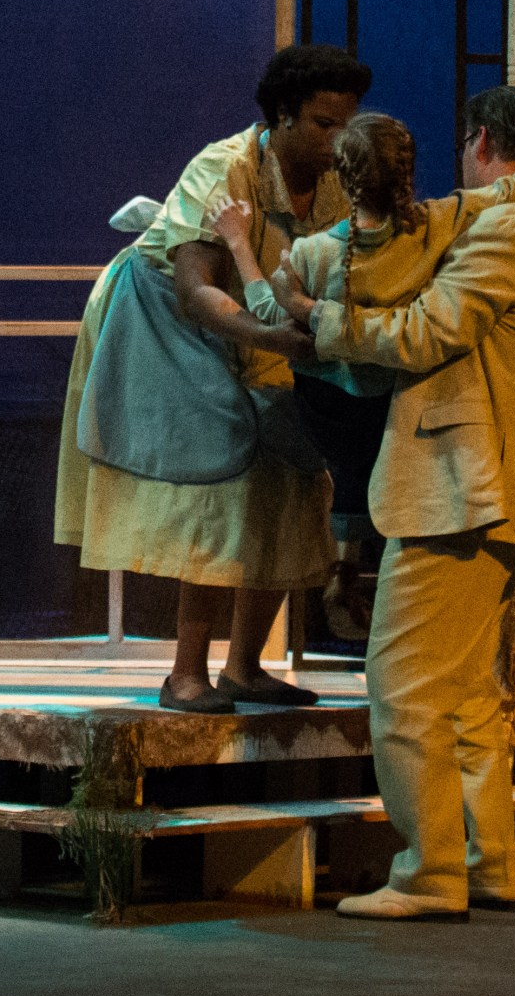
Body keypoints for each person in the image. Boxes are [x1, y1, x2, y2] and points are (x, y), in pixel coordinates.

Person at [272, 85, 515, 922]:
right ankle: (489, 863)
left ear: (481, 141)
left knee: (402, 683)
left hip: (463, 490)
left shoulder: (514, 230)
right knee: (466, 694)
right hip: (499, 489)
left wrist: (319, 317)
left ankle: (429, 872)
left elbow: (427, 332)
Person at [53, 43, 371, 713]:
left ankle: (245, 668)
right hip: (167, 318)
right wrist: (271, 336)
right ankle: (185, 673)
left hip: (256, 316)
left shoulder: (339, 181)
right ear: (283, 116)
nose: (338, 139)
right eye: (323, 124)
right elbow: (195, 288)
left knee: (295, 466)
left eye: (347, 124)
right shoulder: (224, 168)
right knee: (217, 472)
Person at [208, 111, 497, 639]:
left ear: (342, 179)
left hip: (328, 418)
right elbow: (493, 198)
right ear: (407, 173)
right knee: (374, 455)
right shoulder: (434, 230)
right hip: (389, 410)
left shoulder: (312, 253)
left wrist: (238, 242)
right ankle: (365, 575)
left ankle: (336, 567)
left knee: (279, 433)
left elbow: (268, 313)